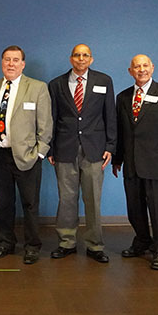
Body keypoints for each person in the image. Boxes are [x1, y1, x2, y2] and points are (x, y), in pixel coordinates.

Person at [0, 45, 52, 265]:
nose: (11, 64)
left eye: (15, 60)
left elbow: (46, 125)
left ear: (23, 64)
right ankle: (5, 242)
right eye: (7, 60)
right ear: (1, 63)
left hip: (27, 156)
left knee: (30, 204)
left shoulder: (37, 88)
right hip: (0, 155)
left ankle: (32, 246)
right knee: (4, 203)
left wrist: (39, 154)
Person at [48, 44, 116, 263]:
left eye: (85, 55)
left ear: (91, 59)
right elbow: (52, 117)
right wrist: (50, 148)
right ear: (71, 59)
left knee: (93, 199)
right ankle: (66, 242)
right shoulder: (56, 84)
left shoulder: (104, 81)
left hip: (94, 149)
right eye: (77, 55)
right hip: (64, 149)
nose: (81, 58)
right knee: (67, 198)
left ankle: (95, 245)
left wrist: (110, 146)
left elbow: (110, 115)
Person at [112, 54, 158, 270]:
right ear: (130, 71)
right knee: (135, 209)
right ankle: (142, 241)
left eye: (145, 65)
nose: (141, 69)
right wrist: (117, 158)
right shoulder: (122, 97)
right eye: (136, 66)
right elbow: (121, 131)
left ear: (152, 68)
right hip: (132, 165)